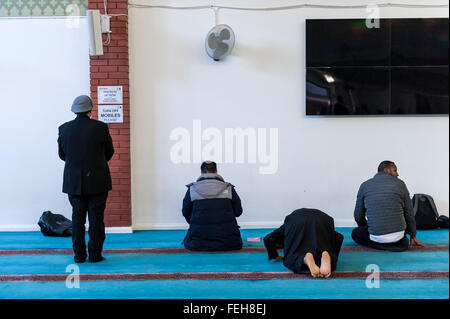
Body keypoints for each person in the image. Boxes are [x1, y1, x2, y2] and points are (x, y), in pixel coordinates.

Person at [58, 95, 114, 263]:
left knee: (77, 219)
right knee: (96, 220)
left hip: (73, 182)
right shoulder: (101, 127)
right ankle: (95, 255)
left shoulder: (64, 128)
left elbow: (62, 155)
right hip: (98, 181)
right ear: (90, 109)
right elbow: (109, 152)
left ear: (74, 110)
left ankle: (79, 256)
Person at [352, 160, 425, 252]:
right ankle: (397, 245)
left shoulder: (364, 185)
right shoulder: (400, 184)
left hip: (376, 237)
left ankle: (379, 245)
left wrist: (366, 228)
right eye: (395, 170)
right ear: (386, 170)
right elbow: (409, 213)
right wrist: (412, 234)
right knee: (402, 239)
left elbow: (358, 216)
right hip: (398, 237)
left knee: (355, 233)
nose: (397, 174)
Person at [264, 208, 344, 278]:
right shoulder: (290, 222)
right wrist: (334, 254)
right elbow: (339, 237)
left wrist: (274, 255)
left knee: (291, 258)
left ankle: (304, 259)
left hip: (297, 221)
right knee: (323, 247)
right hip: (323, 219)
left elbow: (268, 239)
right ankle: (327, 256)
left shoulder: (288, 225)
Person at [182, 161, 243, 251]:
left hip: (197, 242)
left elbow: (185, 212)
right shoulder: (228, 188)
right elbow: (238, 212)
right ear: (216, 172)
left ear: (201, 173)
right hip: (229, 242)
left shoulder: (192, 189)